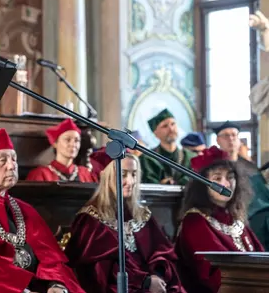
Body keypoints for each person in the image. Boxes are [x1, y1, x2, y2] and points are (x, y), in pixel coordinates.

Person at [0, 128, 84, 293]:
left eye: (14, 159)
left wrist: (56, 285)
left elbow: (52, 259)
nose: (11, 166)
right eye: (2, 160)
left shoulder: (25, 209)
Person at [65, 151, 184, 293]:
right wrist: (144, 281)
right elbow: (97, 271)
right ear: (107, 177)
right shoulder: (90, 219)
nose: (131, 181)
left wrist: (157, 275)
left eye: (134, 174)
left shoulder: (142, 215)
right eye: (123, 175)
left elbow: (162, 253)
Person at [175, 146, 263, 293]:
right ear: (203, 184)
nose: (226, 184)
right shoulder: (195, 221)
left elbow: (260, 257)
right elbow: (215, 276)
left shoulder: (234, 217)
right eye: (217, 178)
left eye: (230, 177)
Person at [26, 119, 98, 182]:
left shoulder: (86, 174)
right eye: (67, 139)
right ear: (55, 143)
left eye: (76, 140)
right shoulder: (40, 174)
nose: (73, 144)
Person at [140, 109, 195, 185]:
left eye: (173, 124)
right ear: (155, 133)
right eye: (165, 126)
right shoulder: (148, 159)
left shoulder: (191, 157)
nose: (171, 129)